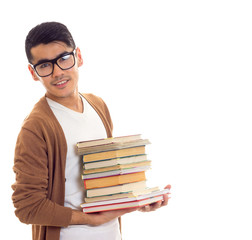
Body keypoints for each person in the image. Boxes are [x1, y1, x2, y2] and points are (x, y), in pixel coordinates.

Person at [11, 21, 170, 240]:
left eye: (64, 59)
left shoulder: (98, 105)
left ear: (79, 57)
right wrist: (89, 218)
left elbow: (108, 181)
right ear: (33, 72)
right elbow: (27, 207)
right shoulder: (36, 128)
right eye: (45, 65)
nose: (57, 72)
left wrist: (136, 202)